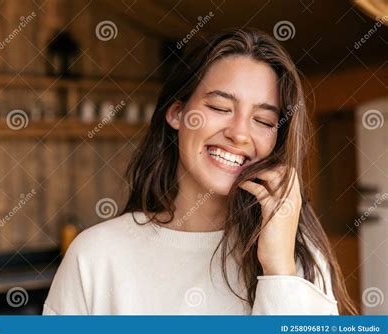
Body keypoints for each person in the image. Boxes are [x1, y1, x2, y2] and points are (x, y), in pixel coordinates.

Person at [43, 28, 357, 315]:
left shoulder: (298, 259)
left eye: (263, 121)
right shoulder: (95, 255)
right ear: (177, 113)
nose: (240, 134)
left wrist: (277, 269)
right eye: (220, 108)